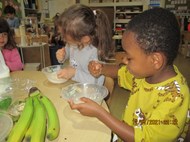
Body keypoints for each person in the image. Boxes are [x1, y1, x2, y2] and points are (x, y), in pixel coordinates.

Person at [68, 7, 190, 141]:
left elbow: (144, 138)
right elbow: (120, 72)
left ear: (155, 60)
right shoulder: (145, 74)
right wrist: (101, 68)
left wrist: (99, 113)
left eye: (129, 57)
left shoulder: (175, 98)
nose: (124, 60)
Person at [56, 4, 114, 85]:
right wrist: (62, 56)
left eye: (67, 39)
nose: (64, 40)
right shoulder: (73, 43)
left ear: (85, 39)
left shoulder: (95, 53)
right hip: (76, 85)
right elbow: (67, 52)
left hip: (92, 91)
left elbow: (95, 81)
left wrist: (74, 73)